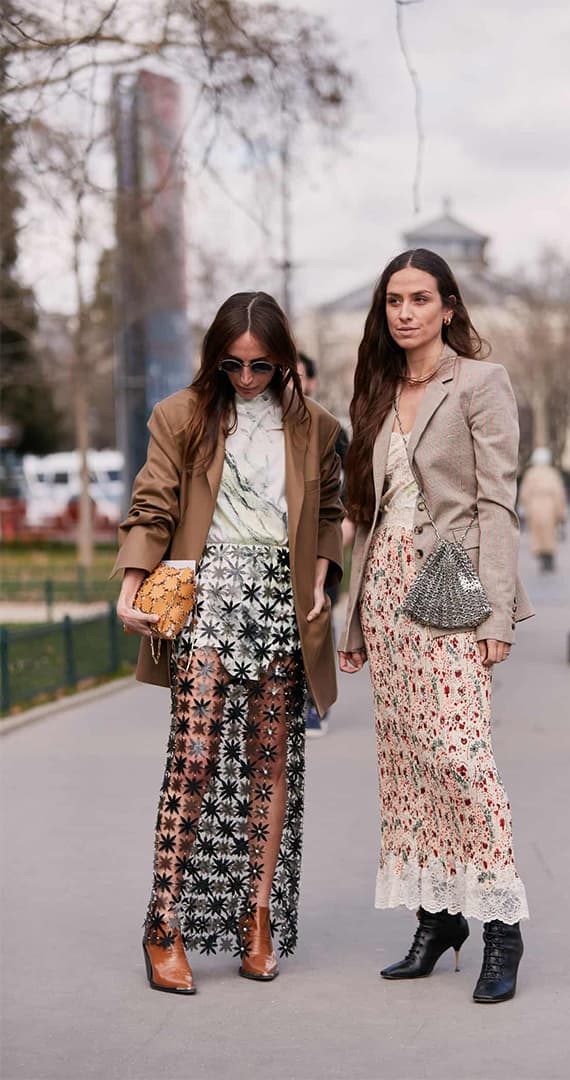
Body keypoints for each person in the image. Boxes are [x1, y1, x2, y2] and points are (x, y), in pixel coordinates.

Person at [115, 292, 343, 994]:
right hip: (208, 597)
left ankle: (257, 918)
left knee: (270, 762)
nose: (246, 378)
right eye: (233, 364)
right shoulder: (182, 416)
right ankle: (163, 923)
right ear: (215, 357)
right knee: (195, 756)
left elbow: (330, 512)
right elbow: (153, 501)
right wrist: (129, 583)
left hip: (279, 602)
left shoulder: (315, 428)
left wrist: (323, 578)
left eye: (261, 365)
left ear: (283, 360)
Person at [338, 248, 533, 1004]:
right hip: (385, 592)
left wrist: (498, 612)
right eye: (395, 300)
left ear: (448, 306)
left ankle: (502, 928)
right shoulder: (380, 386)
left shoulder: (480, 382)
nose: (406, 312)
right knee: (408, 760)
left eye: (421, 298)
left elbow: (496, 503)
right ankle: (438, 915)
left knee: (459, 753)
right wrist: (354, 620)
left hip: (450, 589)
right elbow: (368, 510)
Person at [296, 352, 351, 737]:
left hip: (321, 541)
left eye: (297, 376)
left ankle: (316, 704)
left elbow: (353, 487)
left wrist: (345, 530)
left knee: (316, 620)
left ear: (311, 382)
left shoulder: (330, 430)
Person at [518, 447, 568, 572]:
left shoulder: (530, 473)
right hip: (549, 505)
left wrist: (523, 506)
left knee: (537, 533)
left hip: (534, 505)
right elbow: (558, 493)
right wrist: (561, 512)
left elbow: (524, 492)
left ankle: (542, 558)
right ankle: (549, 558)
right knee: (550, 533)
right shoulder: (552, 473)